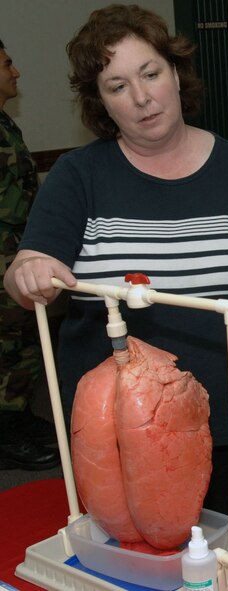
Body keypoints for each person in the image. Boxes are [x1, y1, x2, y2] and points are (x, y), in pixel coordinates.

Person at [3, 5, 228, 523]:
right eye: (117, 86)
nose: (141, 98)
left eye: (150, 74)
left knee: (221, 560)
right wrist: (28, 272)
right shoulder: (79, 176)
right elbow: (29, 267)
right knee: (119, 563)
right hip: (109, 434)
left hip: (221, 423)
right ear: (100, 102)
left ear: (176, 73)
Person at [0, 38, 59, 471]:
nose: (15, 72)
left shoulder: (4, 122)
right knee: (8, 348)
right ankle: (6, 433)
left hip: (15, 250)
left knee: (21, 344)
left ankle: (17, 419)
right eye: (7, 64)